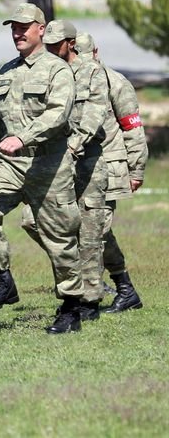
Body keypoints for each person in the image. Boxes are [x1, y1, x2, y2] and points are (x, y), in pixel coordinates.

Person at [0, 3, 84, 334]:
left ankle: (71, 307)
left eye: (24, 27)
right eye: (13, 28)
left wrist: (24, 135)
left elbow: (58, 113)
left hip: (48, 165)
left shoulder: (57, 70)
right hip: (11, 165)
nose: (17, 32)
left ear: (41, 30)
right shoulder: (5, 71)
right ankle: (3, 280)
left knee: (60, 239)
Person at [20, 20, 110, 321]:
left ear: (71, 43)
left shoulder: (92, 71)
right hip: (52, 162)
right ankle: (73, 286)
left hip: (86, 161)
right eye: (50, 43)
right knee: (35, 222)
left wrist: (74, 146)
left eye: (59, 44)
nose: (53, 48)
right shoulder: (45, 70)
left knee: (89, 230)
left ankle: (89, 301)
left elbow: (94, 114)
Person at [76, 32, 148, 313]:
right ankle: (111, 283)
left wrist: (137, 169)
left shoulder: (115, 82)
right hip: (79, 169)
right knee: (52, 225)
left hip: (111, 166)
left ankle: (115, 288)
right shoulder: (70, 80)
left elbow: (133, 128)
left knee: (98, 230)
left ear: (96, 51)